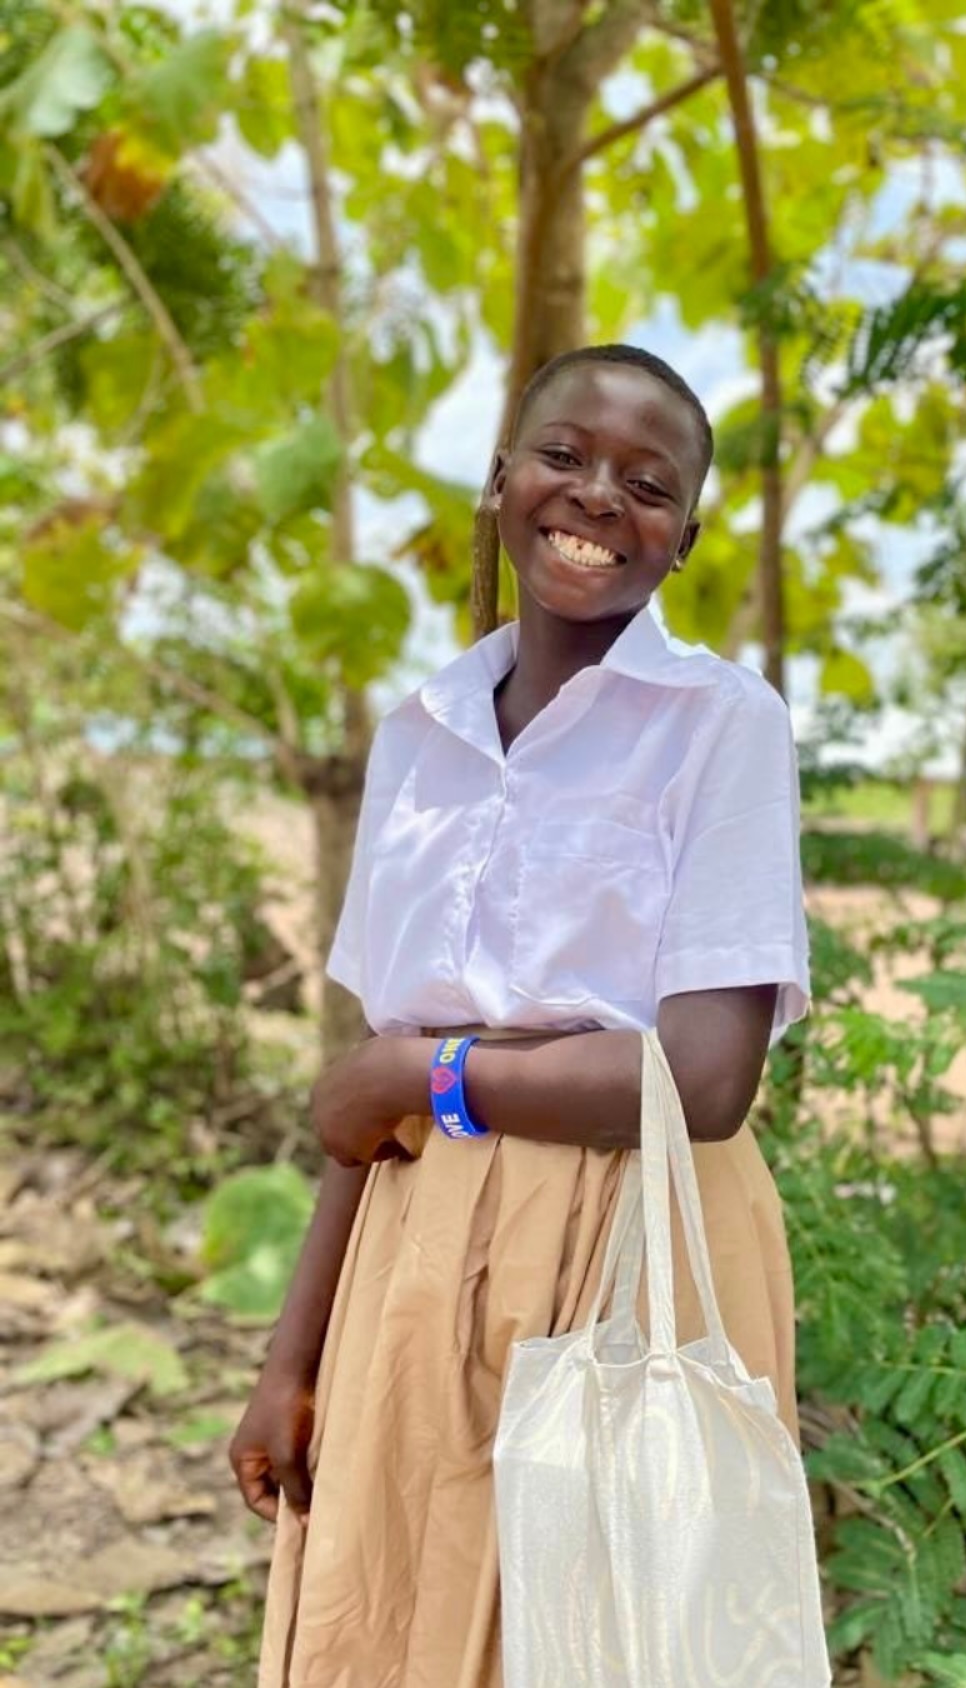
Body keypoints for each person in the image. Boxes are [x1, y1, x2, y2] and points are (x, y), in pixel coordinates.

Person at [230, 344, 813, 1688]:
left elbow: (701, 1076)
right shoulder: (418, 736)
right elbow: (368, 1099)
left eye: (646, 483)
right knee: (400, 1614)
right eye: (565, 455)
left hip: (635, 1242)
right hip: (414, 1250)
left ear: (684, 538)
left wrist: (427, 1074)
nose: (598, 495)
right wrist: (289, 1358)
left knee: (608, 1629)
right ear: (503, 481)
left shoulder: (721, 725)